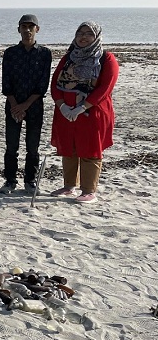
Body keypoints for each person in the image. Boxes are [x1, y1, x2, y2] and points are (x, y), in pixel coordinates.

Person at [49, 21, 118, 204]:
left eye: (88, 33)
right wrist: (62, 105)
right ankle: (69, 185)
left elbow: (105, 88)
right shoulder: (68, 58)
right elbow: (55, 84)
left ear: (96, 37)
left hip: (91, 113)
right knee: (68, 149)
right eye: (80, 33)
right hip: (66, 113)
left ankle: (88, 190)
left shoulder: (106, 58)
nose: (83, 37)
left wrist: (82, 107)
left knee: (90, 150)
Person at [0, 15, 53, 194]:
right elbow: (6, 82)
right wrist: (16, 105)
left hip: (35, 105)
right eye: (24, 26)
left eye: (31, 27)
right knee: (11, 146)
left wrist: (25, 106)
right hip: (13, 104)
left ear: (37, 29)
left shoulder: (44, 53)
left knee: (33, 147)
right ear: (19, 29)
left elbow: (43, 85)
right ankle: (10, 180)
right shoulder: (10, 53)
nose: (27, 30)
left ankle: (30, 181)